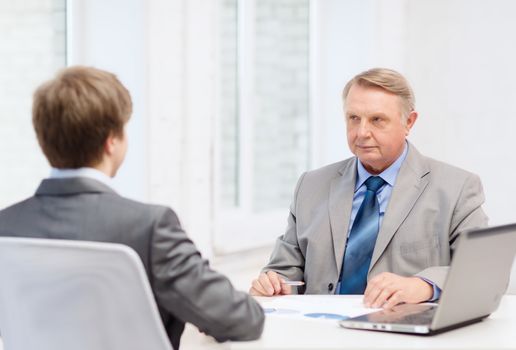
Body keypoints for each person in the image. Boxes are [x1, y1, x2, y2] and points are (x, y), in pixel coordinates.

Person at [0, 66, 264, 349]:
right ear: (111, 142)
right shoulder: (150, 227)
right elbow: (242, 319)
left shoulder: (7, 227)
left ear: (43, 141)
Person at [250, 68, 488, 309]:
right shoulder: (311, 186)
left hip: (401, 337)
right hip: (321, 332)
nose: (362, 132)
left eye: (377, 120)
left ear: (409, 122)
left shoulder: (456, 188)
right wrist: (272, 284)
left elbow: (482, 271)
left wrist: (423, 285)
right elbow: (284, 270)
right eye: (354, 118)